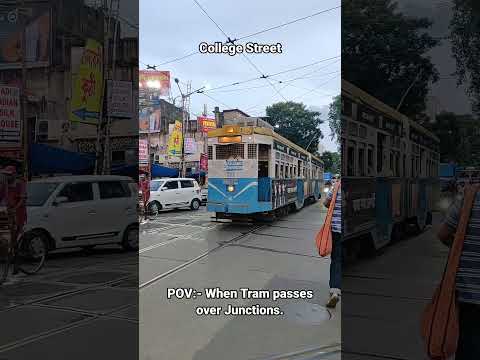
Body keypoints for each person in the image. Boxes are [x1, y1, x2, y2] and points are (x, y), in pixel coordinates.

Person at [437, 185, 480, 358]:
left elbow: (443, 234)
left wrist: (460, 249)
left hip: (469, 295)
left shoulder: (469, 196)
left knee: (469, 346)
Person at [323, 178, 341, 308]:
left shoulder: (336, 186)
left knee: (336, 259)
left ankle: (334, 290)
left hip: (336, 229)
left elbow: (326, 203)